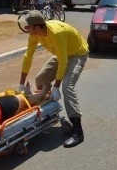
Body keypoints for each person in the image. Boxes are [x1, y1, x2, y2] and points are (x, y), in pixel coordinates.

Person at [17, 10, 89, 148]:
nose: (26, 29)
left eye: (28, 27)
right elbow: (28, 56)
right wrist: (21, 83)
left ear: (37, 28)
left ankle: (78, 131)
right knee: (40, 80)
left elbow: (63, 61)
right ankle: (49, 111)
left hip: (77, 54)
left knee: (67, 87)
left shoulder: (56, 33)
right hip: (62, 54)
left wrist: (56, 86)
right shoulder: (34, 35)